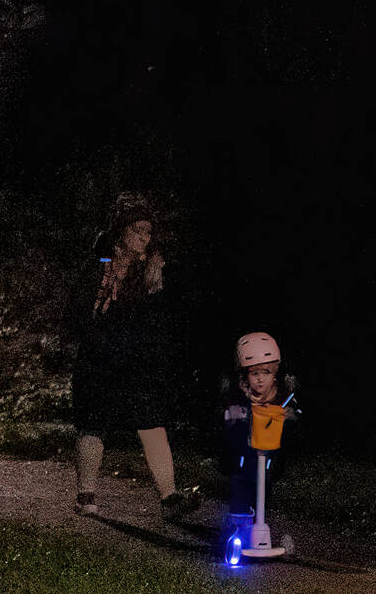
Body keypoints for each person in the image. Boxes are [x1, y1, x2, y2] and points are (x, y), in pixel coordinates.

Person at [68, 192, 198, 522]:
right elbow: (78, 311)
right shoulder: (100, 266)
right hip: (99, 358)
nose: (144, 237)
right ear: (121, 232)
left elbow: (159, 316)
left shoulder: (152, 270)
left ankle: (169, 497)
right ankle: (85, 495)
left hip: (137, 362)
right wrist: (95, 338)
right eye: (137, 230)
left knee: (152, 422)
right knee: (93, 422)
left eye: (148, 231)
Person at [219, 332, 298, 545]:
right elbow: (226, 415)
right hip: (245, 453)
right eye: (254, 374)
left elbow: (295, 415)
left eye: (266, 373)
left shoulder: (283, 396)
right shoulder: (238, 396)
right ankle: (238, 525)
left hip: (270, 452)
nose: (260, 379)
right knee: (241, 481)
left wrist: (290, 415)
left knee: (265, 485)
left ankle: (261, 525)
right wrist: (233, 415)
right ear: (245, 375)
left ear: (275, 373)